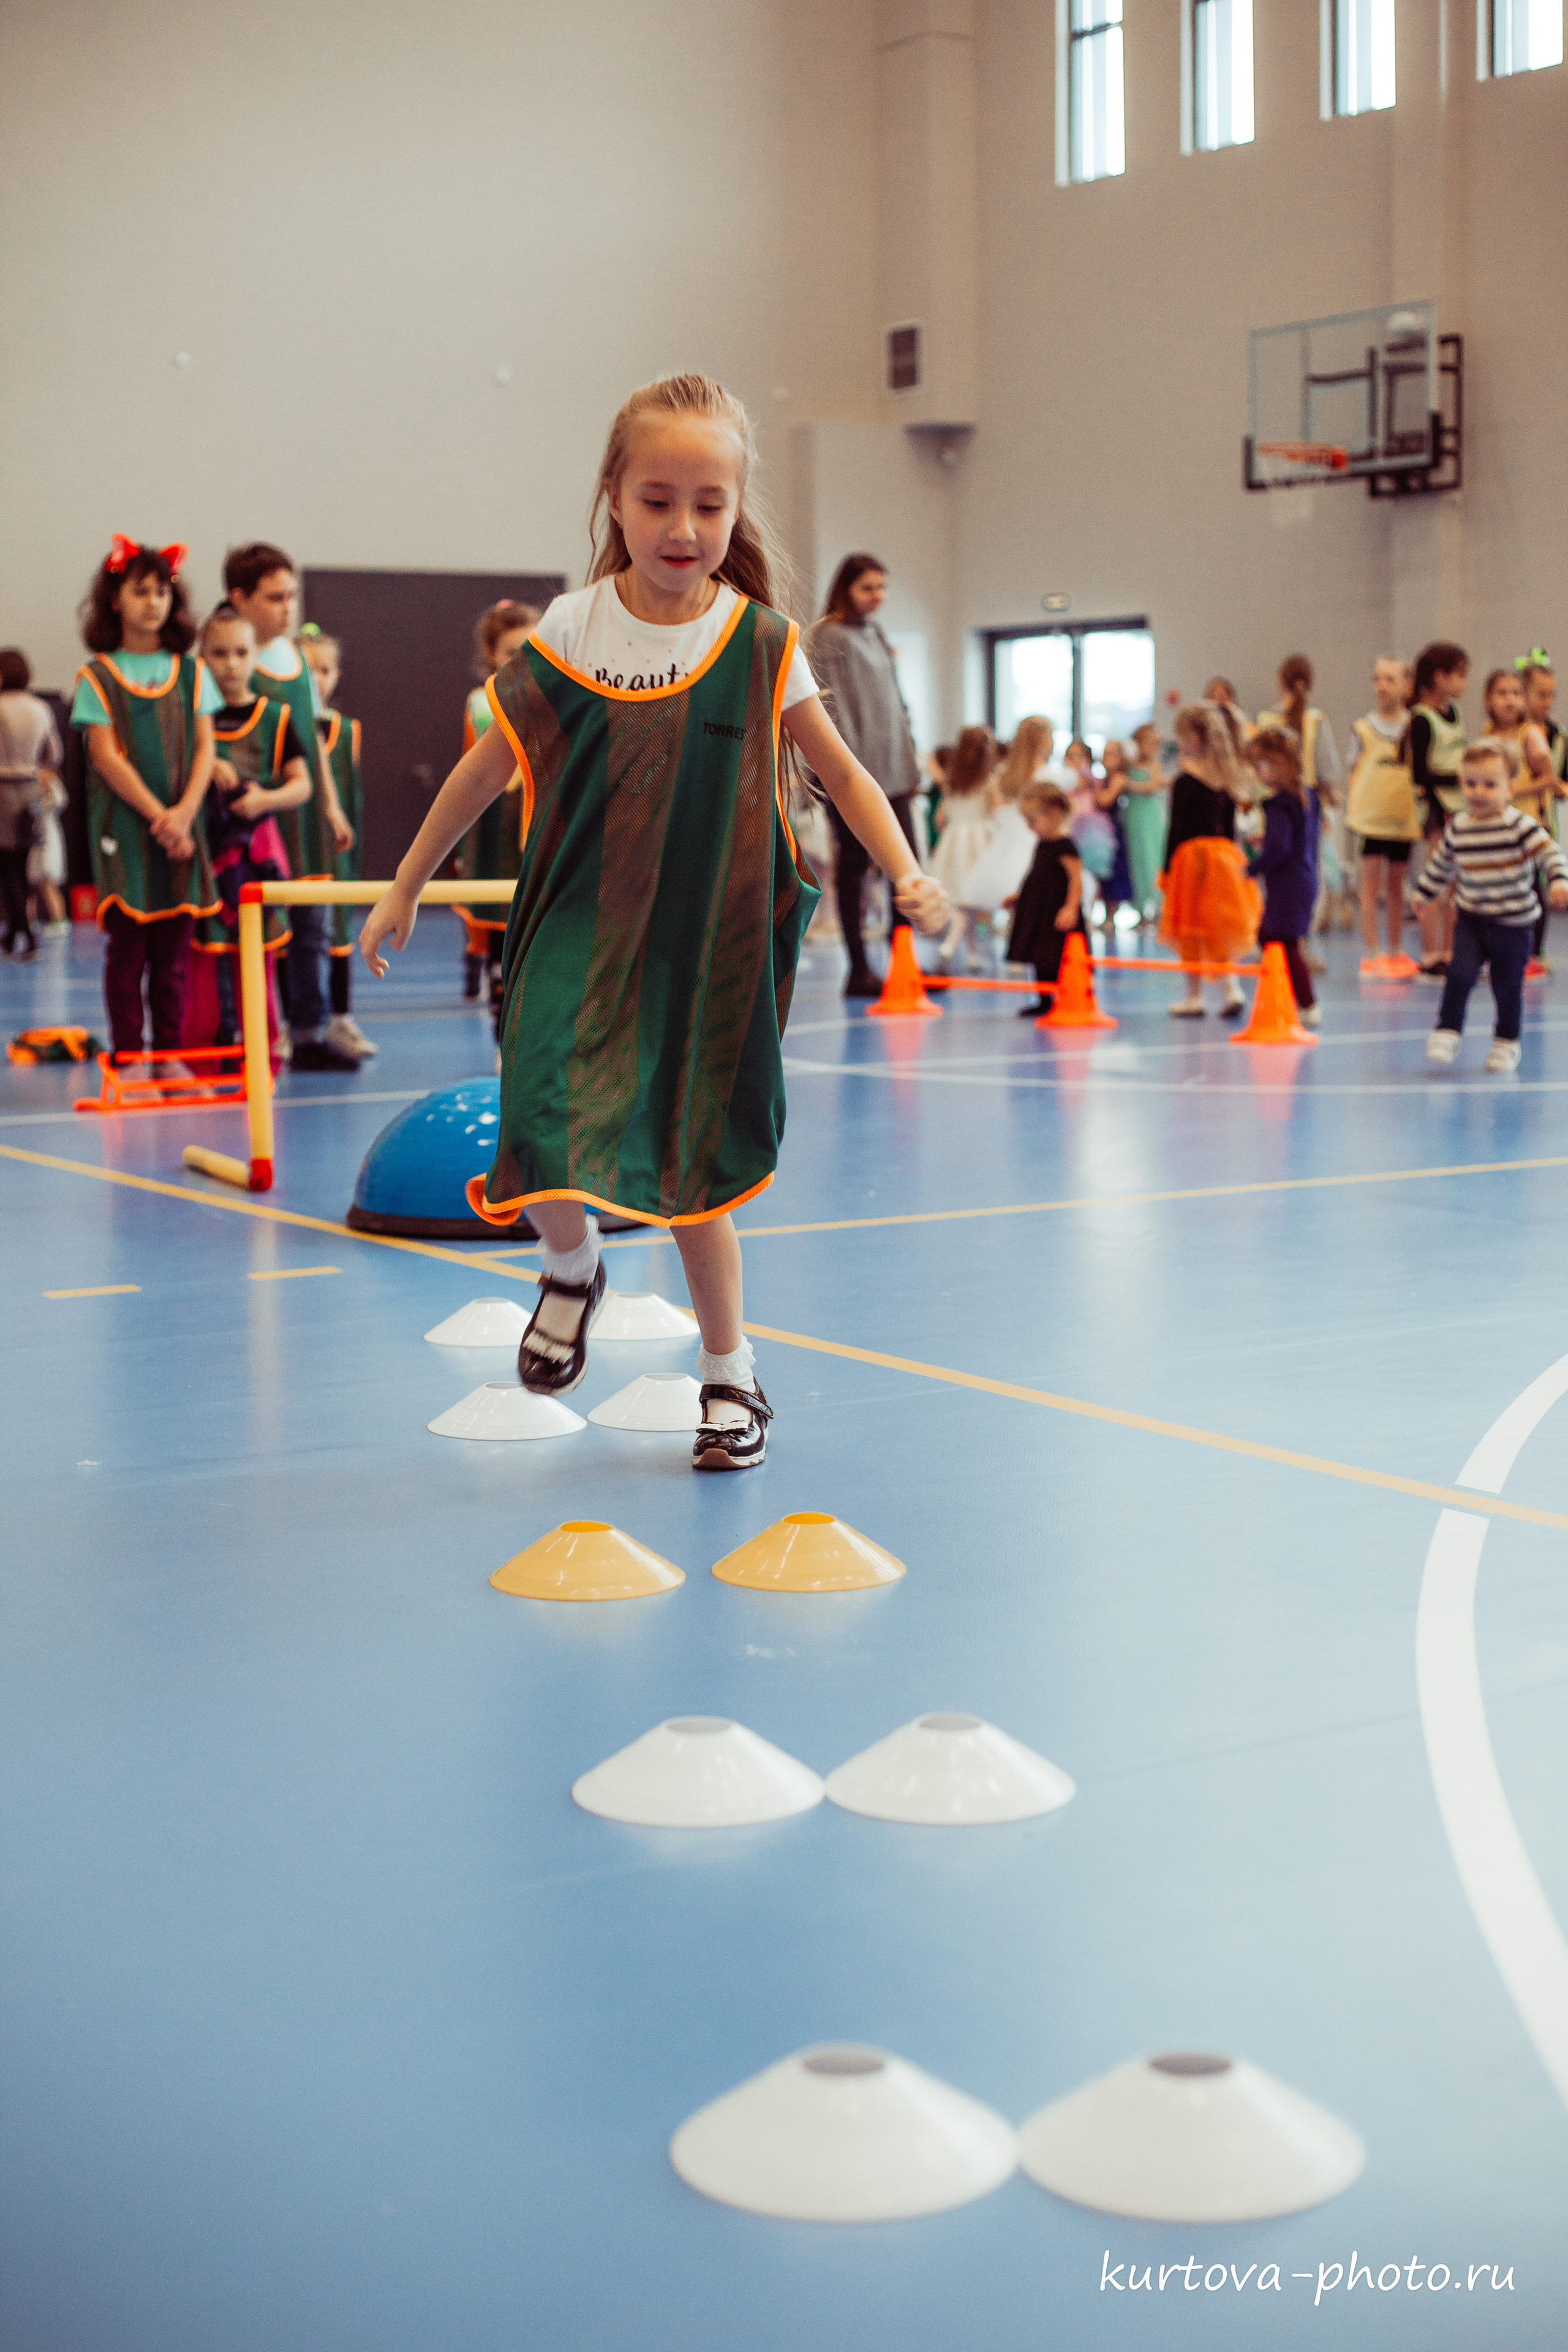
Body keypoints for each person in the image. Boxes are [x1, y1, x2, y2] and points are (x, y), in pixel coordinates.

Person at [359, 372, 948, 1472]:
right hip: (578, 933)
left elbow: (851, 778)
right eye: (659, 499)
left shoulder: (762, 641)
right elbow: (488, 769)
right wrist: (405, 883)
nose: (685, 527)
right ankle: (573, 1265)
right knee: (534, 1118)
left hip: (704, 948)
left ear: (736, 509)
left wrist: (908, 873)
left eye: (710, 504)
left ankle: (731, 1374)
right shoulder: (572, 630)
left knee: (693, 1177)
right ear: (615, 500)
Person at [70, 537, 220, 1066]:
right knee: (128, 952)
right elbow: (107, 758)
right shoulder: (98, 676)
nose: (153, 602)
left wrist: (184, 815)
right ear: (116, 599)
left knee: (172, 956)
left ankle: (170, 1057)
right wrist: (161, 817)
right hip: (127, 832)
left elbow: (206, 749)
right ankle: (130, 1058)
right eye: (140, 592)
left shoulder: (193, 672)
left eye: (162, 592)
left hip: (182, 831)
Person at [224, 543, 357, 1071]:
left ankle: (310, 1032)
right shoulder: (237, 661)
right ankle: (257, 1031)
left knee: (313, 928)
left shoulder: (297, 660)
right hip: (259, 816)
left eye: (291, 597)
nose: (287, 609)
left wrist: (331, 804)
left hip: (306, 816)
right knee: (262, 930)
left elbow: (310, 739)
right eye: (274, 598)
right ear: (240, 598)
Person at [807, 553, 924, 997]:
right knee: (855, 869)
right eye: (868, 587)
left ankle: (904, 964)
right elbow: (829, 712)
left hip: (896, 772)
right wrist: (848, 778)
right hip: (856, 778)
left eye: (882, 587)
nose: (878, 596)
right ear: (845, 589)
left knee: (905, 868)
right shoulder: (827, 637)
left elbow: (898, 705)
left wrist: (911, 764)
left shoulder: (875, 632)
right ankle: (858, 968)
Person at [1417, 737, 1568, 1074]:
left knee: (1507, 984)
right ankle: (1448, 1030)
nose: (1479, 792)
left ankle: (1506, 1042)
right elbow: (1442, 864)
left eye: (1489, 784)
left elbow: (1550, 853)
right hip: (1471, 919)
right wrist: (1423, 893)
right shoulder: (1460, 826)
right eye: (1471, 784)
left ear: (1510, 788)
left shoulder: (1520, 826)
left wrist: (1558, 880)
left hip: (1513, 923)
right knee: (1459, 974)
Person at [197, 604, 313, 1044]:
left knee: (258, 951)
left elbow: (302, 785)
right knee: (205, 954)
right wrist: (206, 767)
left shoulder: (275, 717)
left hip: (257, 857)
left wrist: (266, 798)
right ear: (202, 658)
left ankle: (262, 1048)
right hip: (206, 854)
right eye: (219, 653)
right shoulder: (194, 721)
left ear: (254, 657)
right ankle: (206, 1051)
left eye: (241, 653)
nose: (230, 664)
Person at [454, 600, 537, 1032]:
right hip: (498, 831)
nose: (521, 660)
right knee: (500, 941)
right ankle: (502, 1035)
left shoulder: (555, 693)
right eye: (510, 652)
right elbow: (473, 772)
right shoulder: (483, 702)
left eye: (529, 648)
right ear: (491, 655)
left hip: (538, 827)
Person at [300, 627, 374, 1058]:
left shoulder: (348, 731)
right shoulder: (282, 726)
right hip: (300, 845)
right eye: (309, 670)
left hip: (338, 848)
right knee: (296, 938)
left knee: (341, 931)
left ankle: (341, 1019)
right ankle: (297, 1022)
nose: (318, 679)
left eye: (325, 670)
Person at [1158, 701, 1257, 1019]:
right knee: (1216, 926)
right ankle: (1231, 988)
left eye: (1183, 737)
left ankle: (1194, 995)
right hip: (1223, 860)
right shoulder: (1224, 780)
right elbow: (1230, 831)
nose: (1181, 744)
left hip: (1191, 860)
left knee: (1191, 929)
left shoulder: (1186, 781)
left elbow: (1176, 830)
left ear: (1197, 738)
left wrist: (1167, 869)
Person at [1255, 655, 1346, 949]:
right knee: (1306, 869)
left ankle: (1275, 938)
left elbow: (1258, 766)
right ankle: (1300, 941)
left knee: (1273, 870)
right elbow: (1326, 770)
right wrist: (1332, 797)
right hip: (1307, 803)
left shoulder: (1266, 721)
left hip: (1275, 800)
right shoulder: (1317, 719)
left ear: (1280, 681)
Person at [1346, 654, 1419, 974]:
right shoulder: (1363, 728)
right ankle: (1372, 950)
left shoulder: (1415, 726)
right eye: (1378, 679)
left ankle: (1395, 949)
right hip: (1372, 820)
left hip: (1402, 817)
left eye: (1391, 679)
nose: (1383, 686)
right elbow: (1353, 770)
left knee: (1396, 885)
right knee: (1370, 886)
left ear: (1407, 685)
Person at [1245, 725, 1319, 1025]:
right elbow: (1297, 838)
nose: (1259, 773)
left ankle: (1307, 1004)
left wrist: (1251, 869)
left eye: (1262, 765)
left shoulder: (1278, 802)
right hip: (1304, 879)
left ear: (1280, 764)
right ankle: (1290, 995)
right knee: (1273, 937)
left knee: (1283, 943)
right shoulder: (1307, 796)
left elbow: (1279, 850)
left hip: (1288, 884)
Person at [1407, 640, 1469, 978]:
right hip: (1436, 809)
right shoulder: (1421, 719)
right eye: (1460, 675)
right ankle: (1431, 954)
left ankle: (1451, 950)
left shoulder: (1454, 714)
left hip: (1460, 808)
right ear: (1440, 677)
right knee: (1436, 881)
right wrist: (1456, 777)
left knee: (1458, 885)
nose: (1464, 684)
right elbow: (1420, 773)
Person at [0, 648, 63, 960]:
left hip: (2, 794)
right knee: (23, 865)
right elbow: (54, 755)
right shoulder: (40, 709)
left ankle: (25, 933)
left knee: (7, 867)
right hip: (30, 794)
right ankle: (13, 935)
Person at [1003, 781, 1084, 1013]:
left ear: (1056, 814)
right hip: (1040, 911)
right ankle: (1044, 1001)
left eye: (1033, 821)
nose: (1030, 827)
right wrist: (1020, 897)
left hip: (1056, 912)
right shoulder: (1042, 844)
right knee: (1040, 957)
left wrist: (1070, 908)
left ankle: (1065, 998)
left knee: (1056, 957)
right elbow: (1037, 874)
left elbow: (1076, 880)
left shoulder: (1065, 846)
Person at [927, 724, 1003, 970]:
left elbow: (940, 819)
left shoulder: (951, 780)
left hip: (954, 839)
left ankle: (971, 954)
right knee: (967, 901)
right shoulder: (989, 781)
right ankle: (949, 947)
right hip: (978, 840)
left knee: (964, 899)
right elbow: (997, 813)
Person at [1123, 720, 1167, 919]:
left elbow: (1151, 786)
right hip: (1133, 816)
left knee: (1153, 859)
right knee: (1136, 860)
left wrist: (1127, 783)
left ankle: (1157, 910)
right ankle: (1140, 910)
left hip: (1150, 816)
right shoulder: (1129, 765)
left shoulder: (1154, 765)